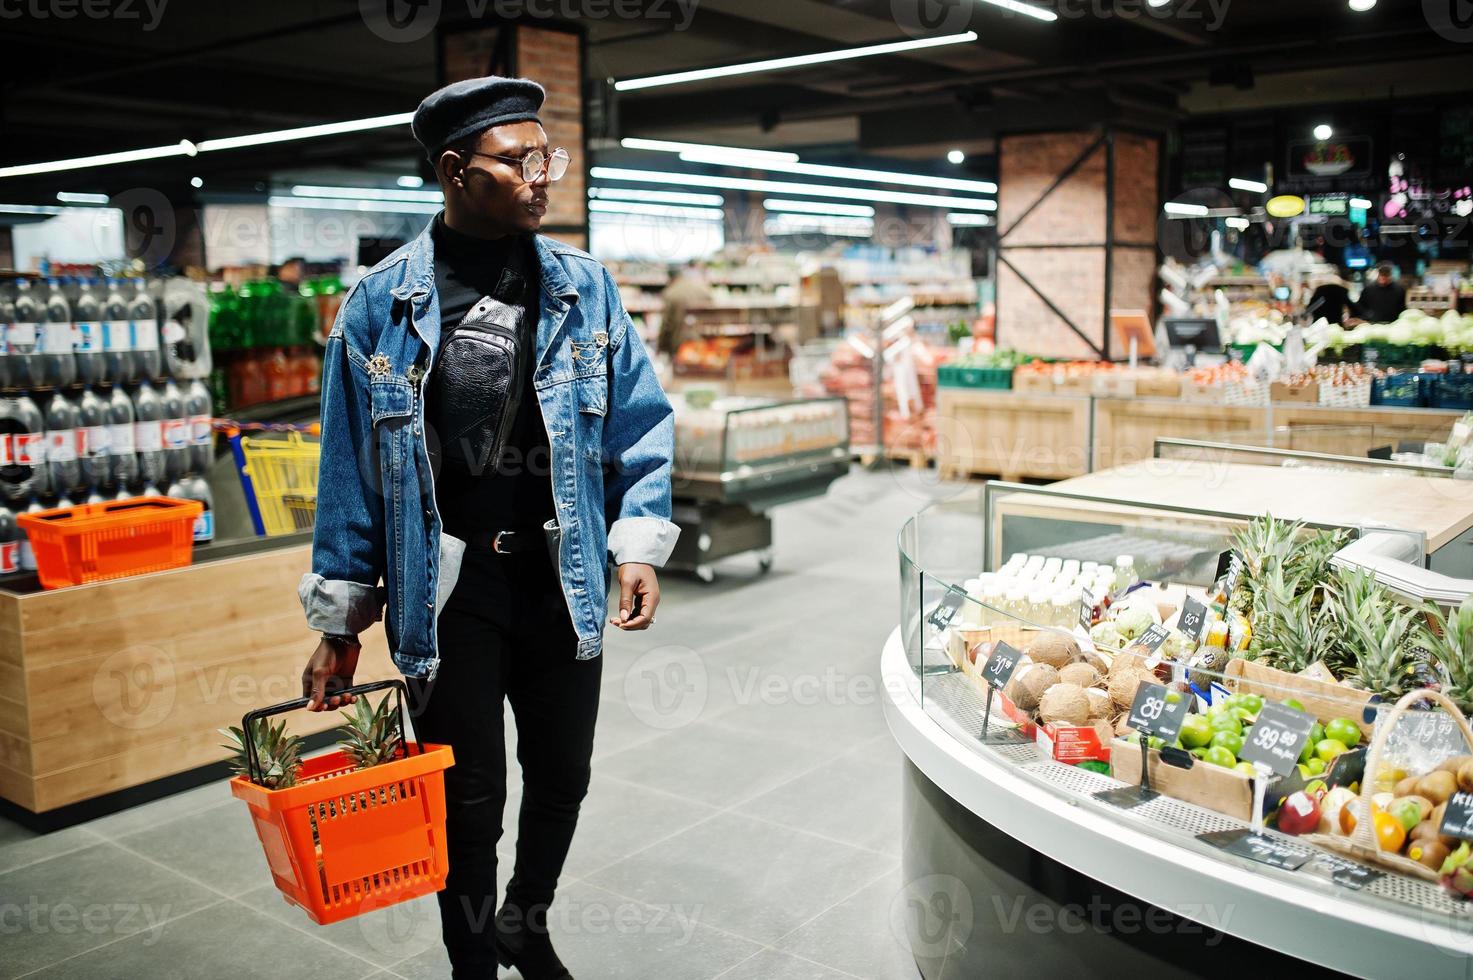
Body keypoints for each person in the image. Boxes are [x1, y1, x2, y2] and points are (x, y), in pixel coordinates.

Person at [297, 76, 679, 980]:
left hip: (564, 575)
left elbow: (640, 422)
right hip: (449, 591)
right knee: (468, 801)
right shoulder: (377, 308)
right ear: (455, 170)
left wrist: (636, 541)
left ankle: (524, 922)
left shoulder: (584, 289)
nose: (544, 176)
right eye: (520, 160)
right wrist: (338, 628)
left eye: (550, 156)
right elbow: (347, 476)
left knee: (562, 780)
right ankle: (471, 958)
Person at [656, 259, 711, 358]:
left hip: (679, 344)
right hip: (703, 344)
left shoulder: (670, 293)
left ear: (670, 278)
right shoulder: (702, 289)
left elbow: (667, 324)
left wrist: (661, 347)